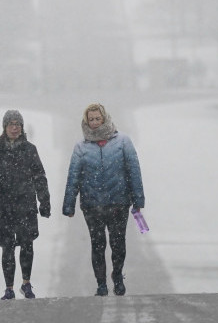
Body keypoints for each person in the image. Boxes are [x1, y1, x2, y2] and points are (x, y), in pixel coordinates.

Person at [62, 102, 145, 297]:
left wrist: (138, 200)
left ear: (104, 118)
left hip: (118, 203)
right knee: (97, 245)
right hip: (92, 205)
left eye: (98, 118)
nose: (95, 123)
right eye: (91, 119)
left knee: (118, 244)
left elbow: (134, 171)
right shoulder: (81, 147)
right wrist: (69, 204)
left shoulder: (123, 141)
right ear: (86, 121)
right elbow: (73, 176)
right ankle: (101, 284)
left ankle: (117, 276)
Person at [0, 109, 51, 300]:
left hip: (25, 203)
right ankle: (9, 288)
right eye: (11, 124)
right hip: (1, 205)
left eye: (18, 124)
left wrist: (44, 202)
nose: (15, 128)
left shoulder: (30, 150)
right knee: (7, 246)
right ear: (5, 127)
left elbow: (39, 177)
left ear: (22, 127)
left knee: (27, 243)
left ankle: (26, 284)